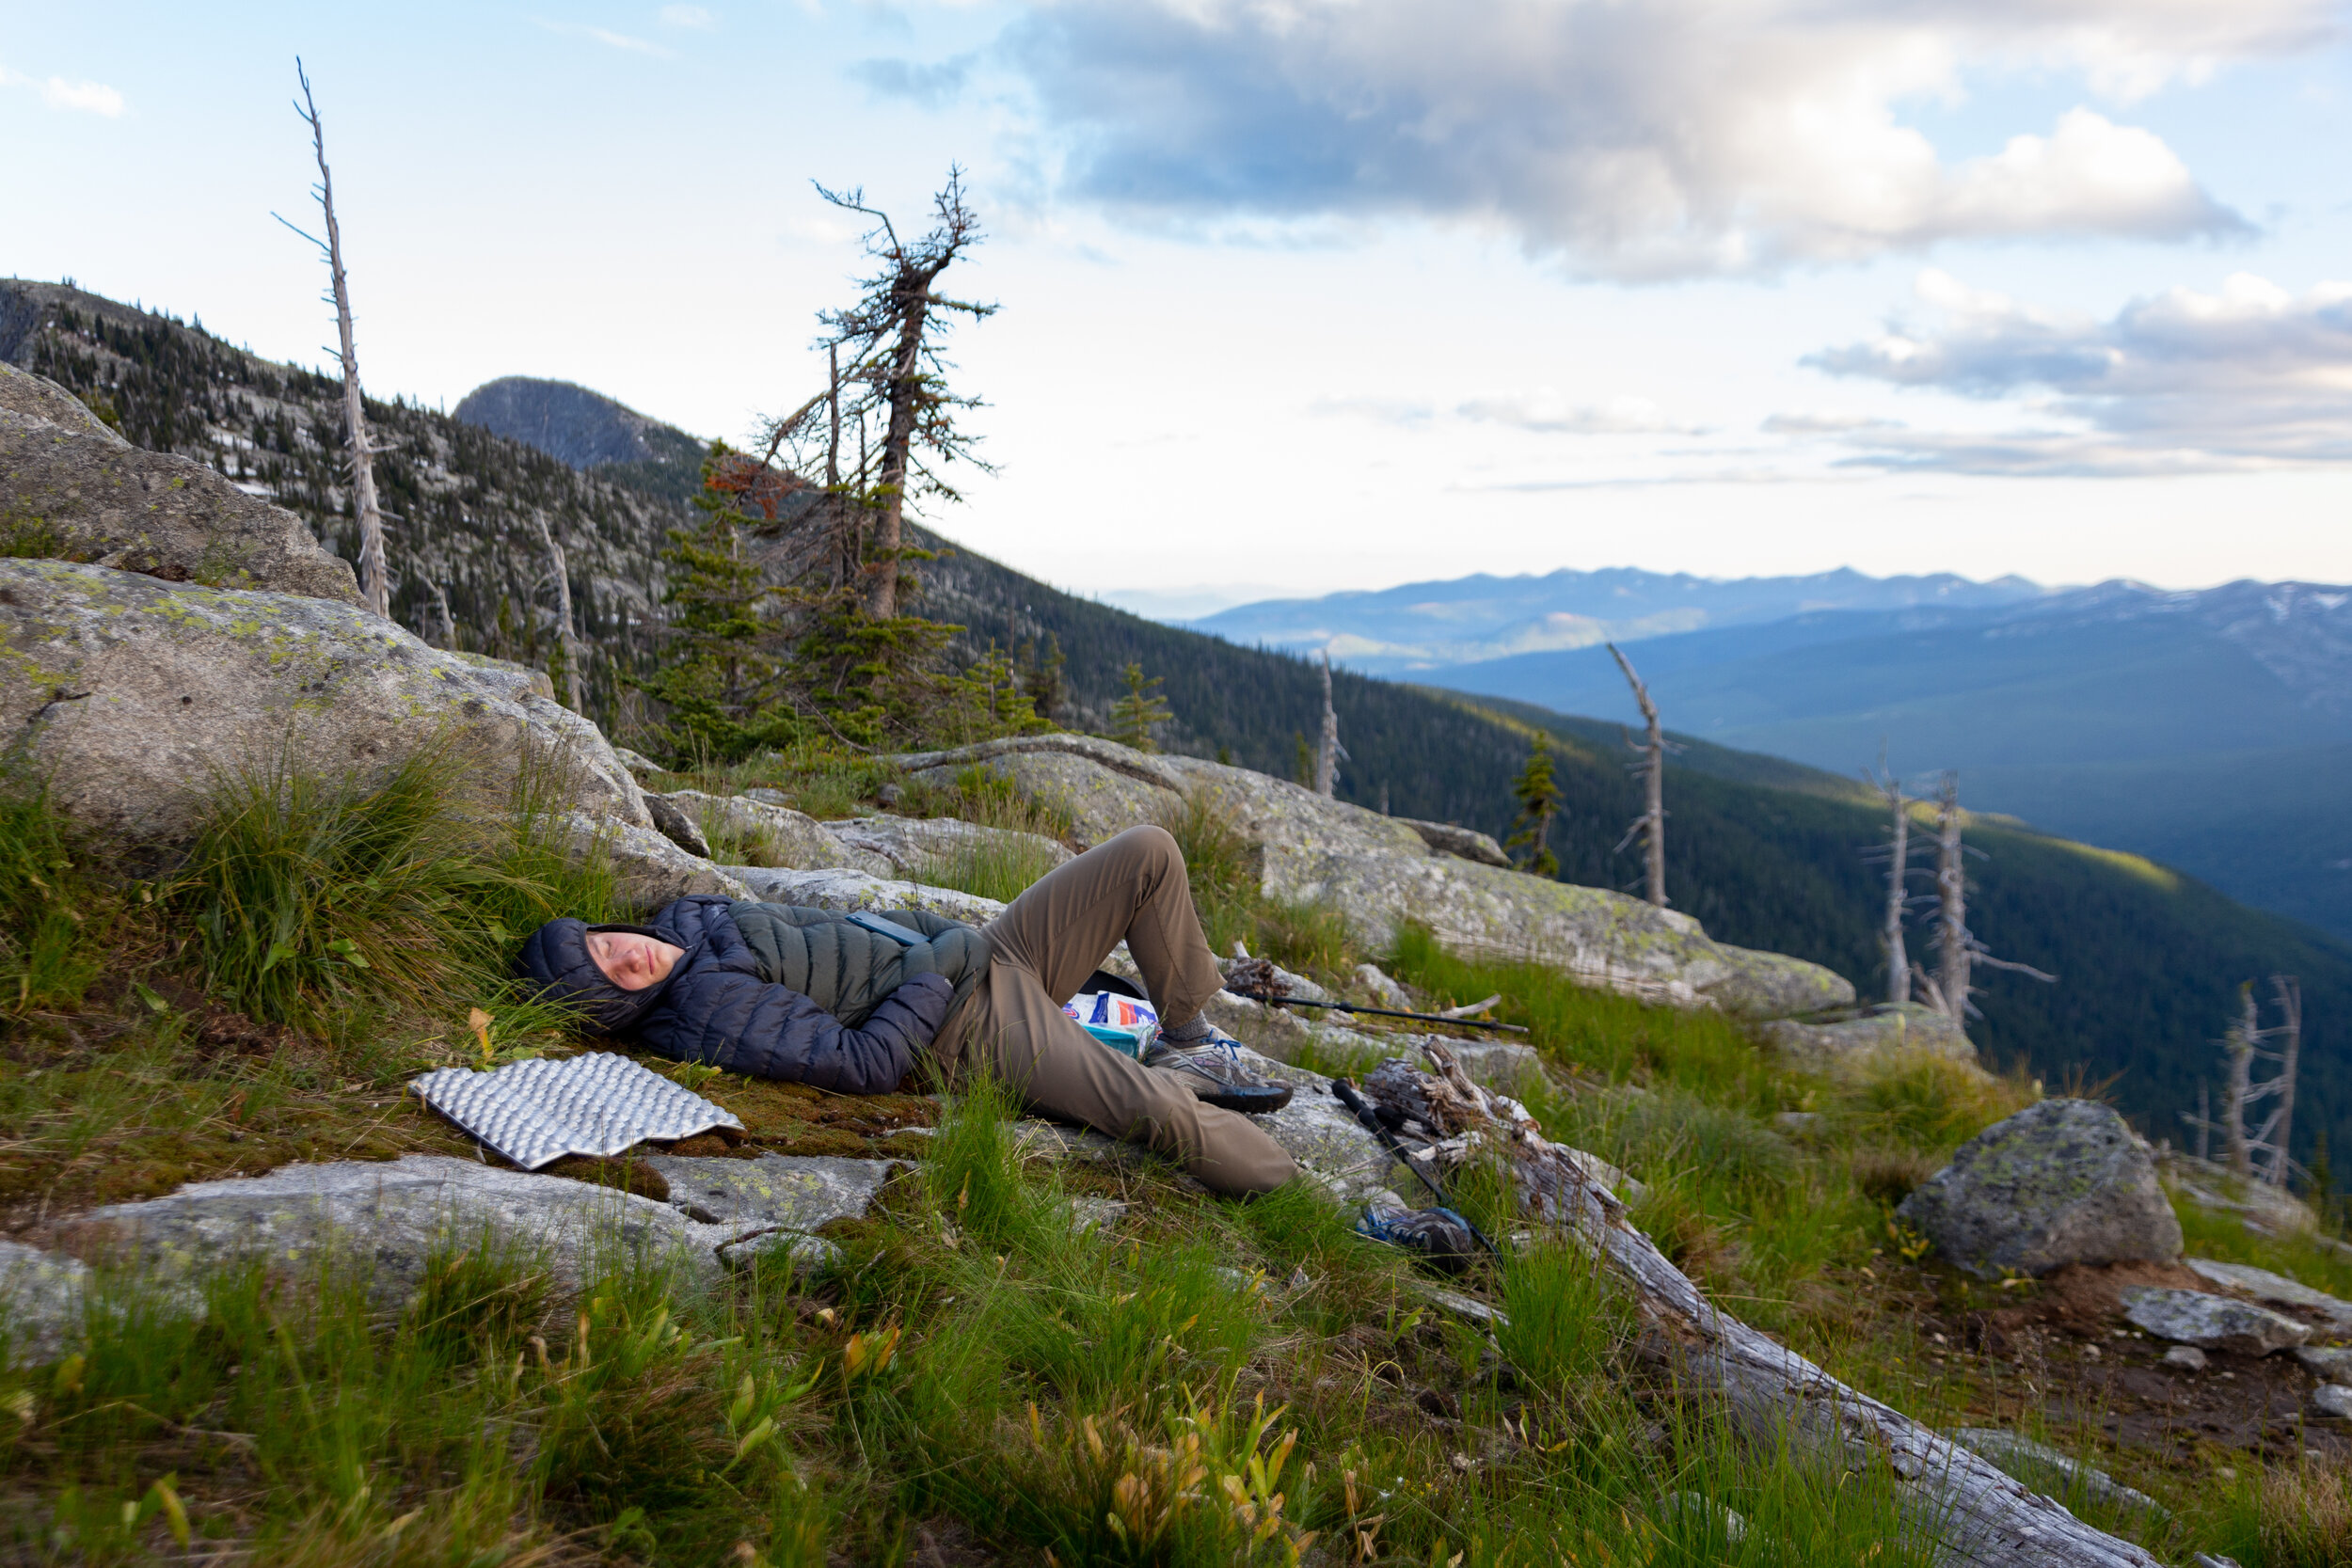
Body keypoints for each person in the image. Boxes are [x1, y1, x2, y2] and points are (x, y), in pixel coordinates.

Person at [516, 824, 1299, 1196]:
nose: (627, 957)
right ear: (624, 1007)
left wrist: (946, 948)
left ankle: (1190, 1034)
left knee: (1148, 854)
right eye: (613, 977)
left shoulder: (683, 921)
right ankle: (1312, 1198)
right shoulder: (704, 1010)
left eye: (605, 943)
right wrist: (936, 964)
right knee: (1155, 1109)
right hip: (965, 1026)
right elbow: (867, 1064)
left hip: (986, 954)